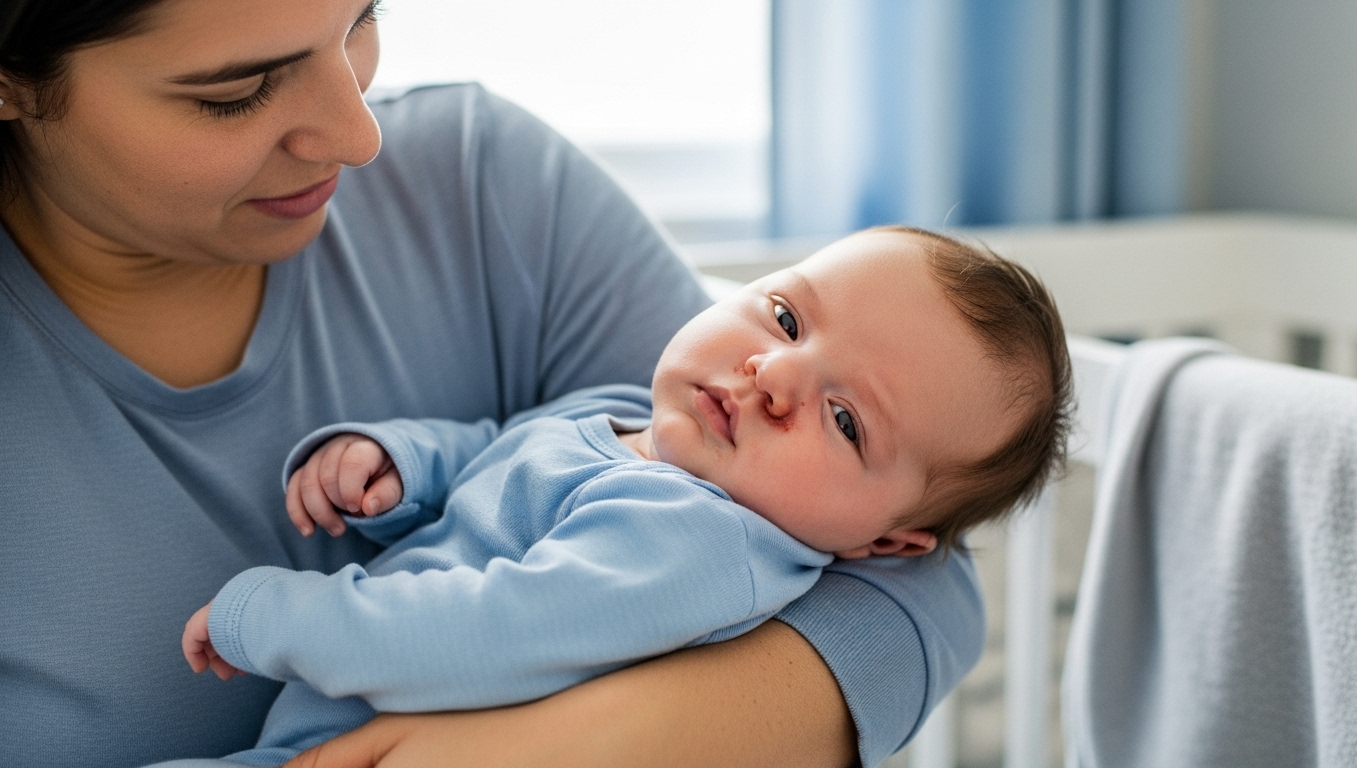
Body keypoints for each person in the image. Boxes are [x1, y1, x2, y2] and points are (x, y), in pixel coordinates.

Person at [0, 1, 990, 766]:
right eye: (236, 92)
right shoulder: (657, 417)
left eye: (362, 21)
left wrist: (550, 749)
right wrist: (407, 463)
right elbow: (517, 450)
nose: (356, 135)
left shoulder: (482, 189)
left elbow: (919, 590)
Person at [179, 227, 1073, 765]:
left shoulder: (700, 544)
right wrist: (404, 469)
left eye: (845, 421)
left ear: (886, 545)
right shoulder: (626, 420)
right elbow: (500, 458)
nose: (774, 374)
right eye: (788, 318)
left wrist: (278, 616)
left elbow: (492, 630)